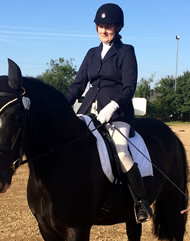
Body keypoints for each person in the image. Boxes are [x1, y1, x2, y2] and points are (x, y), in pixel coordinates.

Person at [65, 3, 152, 223]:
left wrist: (112, 107)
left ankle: (141, 202)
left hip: (117, 114)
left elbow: (129, 87)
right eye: (100, 26)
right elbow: (77, 86)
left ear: (118, 28)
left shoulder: (126, 51)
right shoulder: (91, 54)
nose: (104, 30)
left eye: (109, 26)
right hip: (89, 111)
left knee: (121, 151)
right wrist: (62, 106)